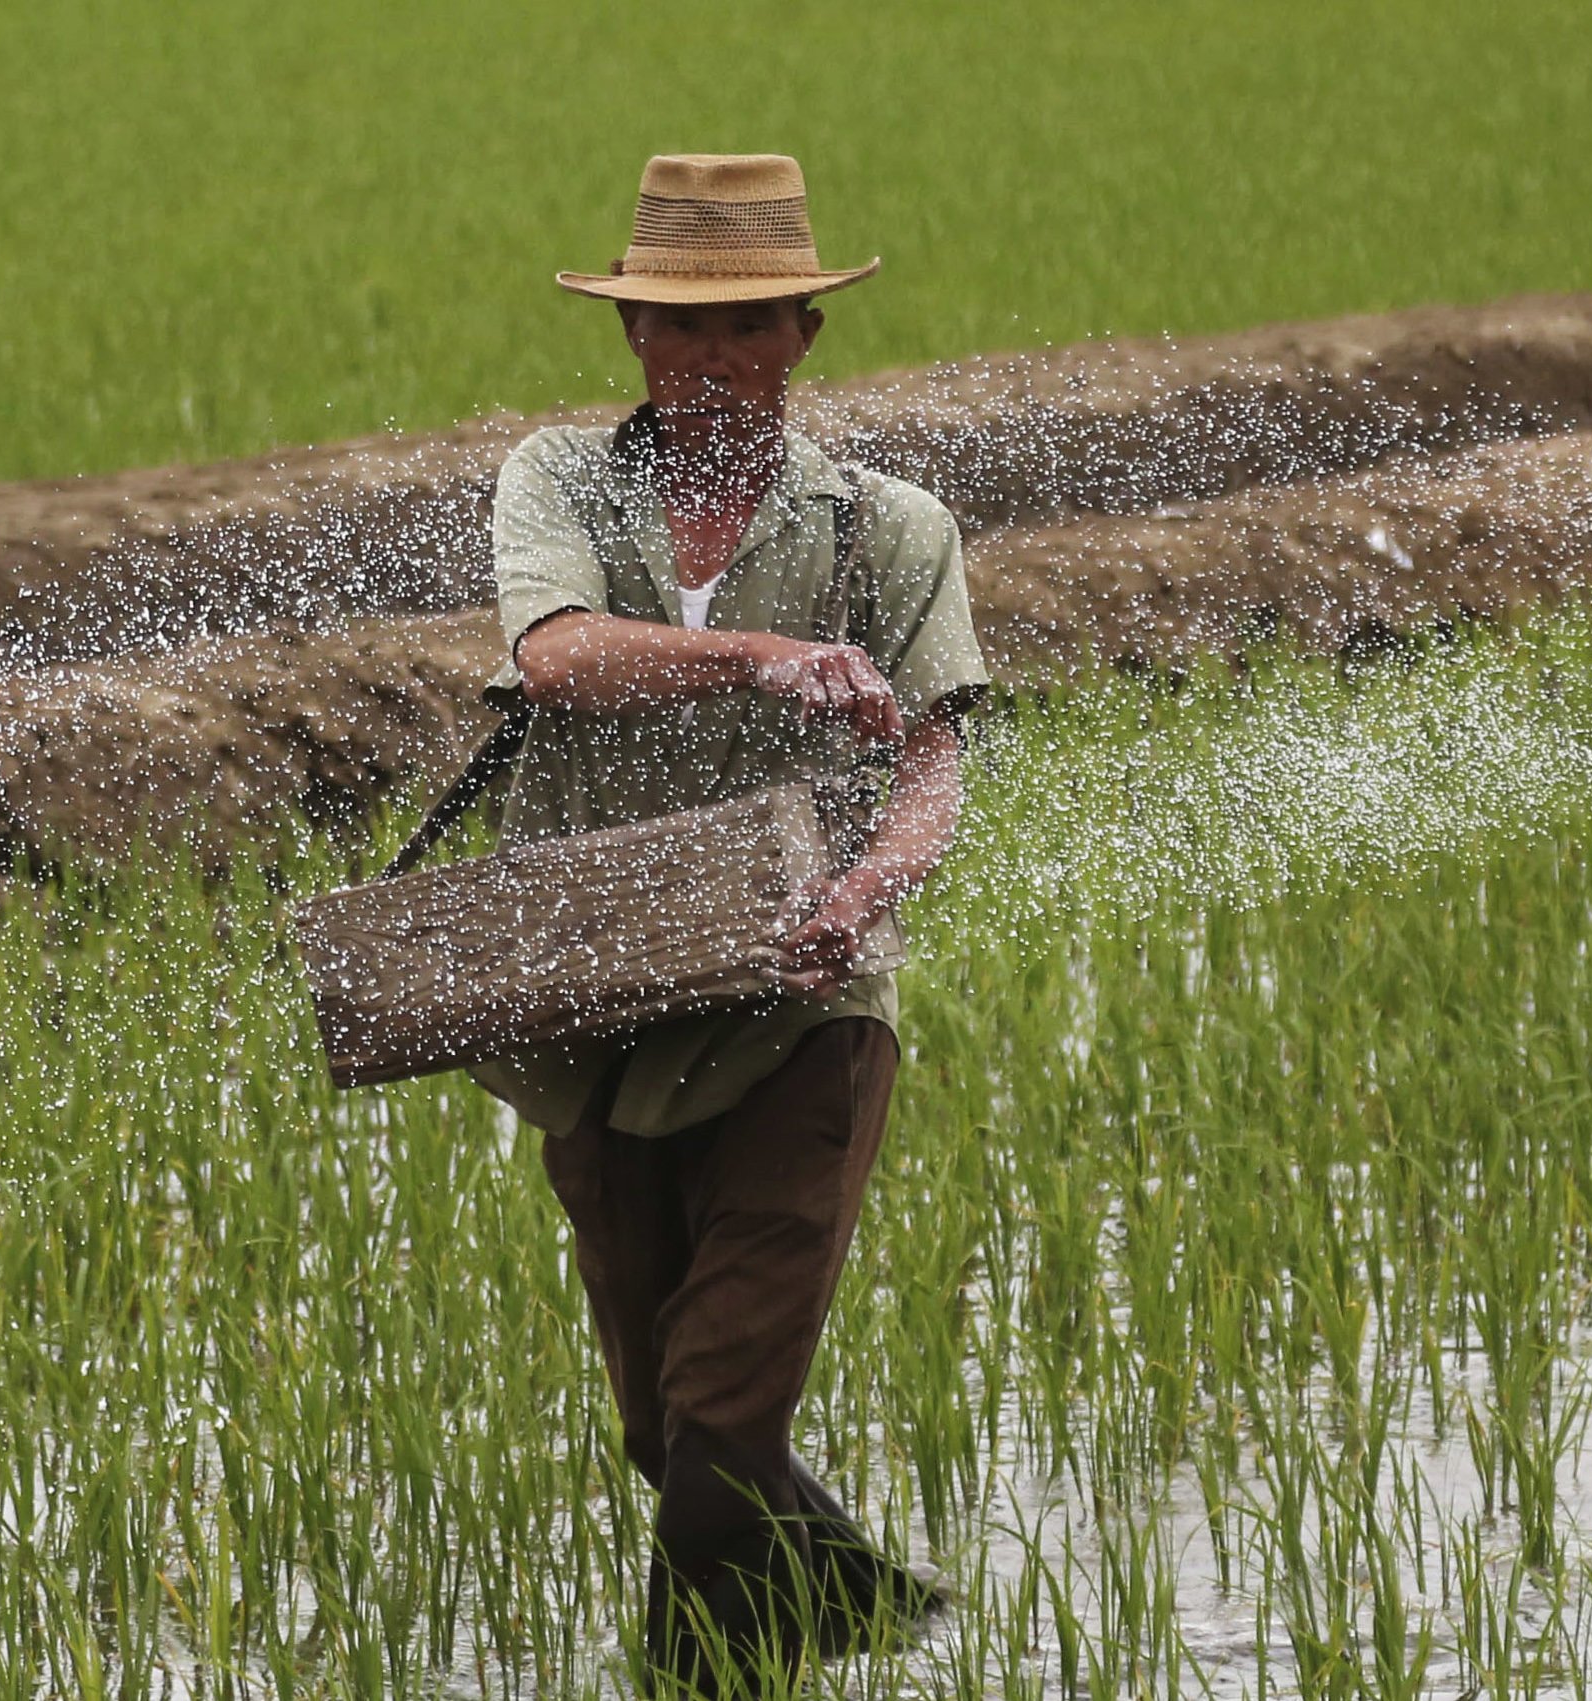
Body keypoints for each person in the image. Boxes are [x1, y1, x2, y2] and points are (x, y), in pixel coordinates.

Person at [471, 152, 987, 1693]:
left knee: (720, 1430)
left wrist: (866, 891)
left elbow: (933, 764)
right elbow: (557, 657)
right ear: (630, 337)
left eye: (751, 326)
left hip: (799, 1015)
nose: (713, 364)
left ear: (805, 336)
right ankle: (878, 1612)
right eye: (679, 332)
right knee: (662, 1432)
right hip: (597, 1009)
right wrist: (762, 657)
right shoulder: (560, 480)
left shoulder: (884, 529)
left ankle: (696, 1678)